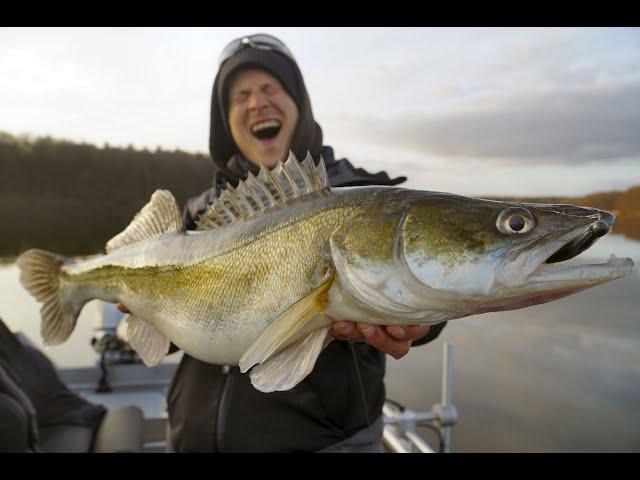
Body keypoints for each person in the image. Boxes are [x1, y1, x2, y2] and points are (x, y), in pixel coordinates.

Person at [122, 33, 447, 452]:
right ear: (226, 120)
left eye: (270, 88)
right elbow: (172, 340)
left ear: (299, 104)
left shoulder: (359, 196)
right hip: (191, 438)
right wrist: (143, 307)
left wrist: (422, 320)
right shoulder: (198, 215)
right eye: (240, 95)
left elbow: (425, 283)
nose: (257, 103)